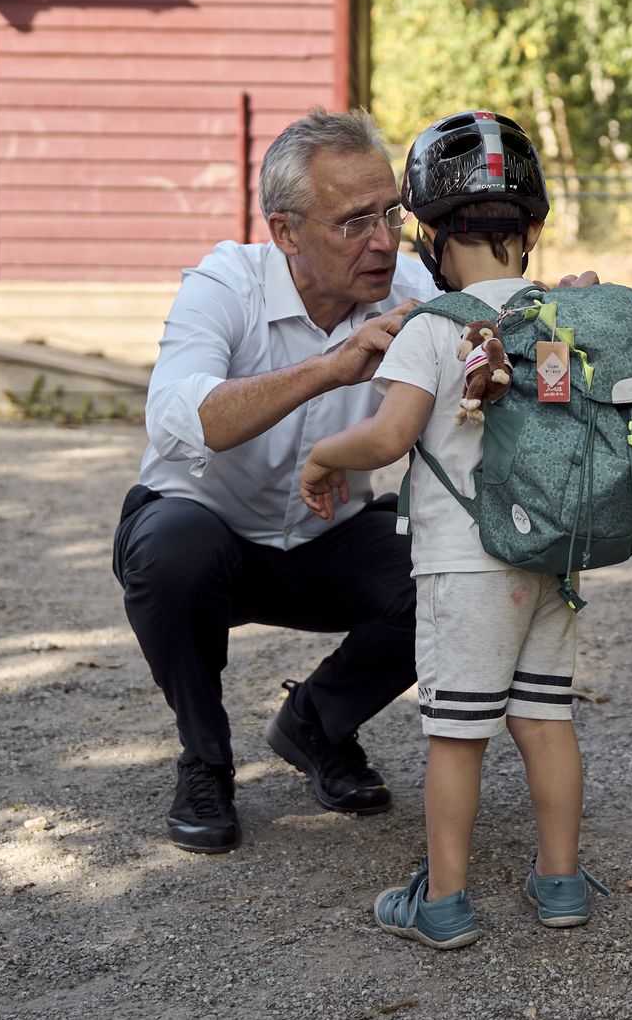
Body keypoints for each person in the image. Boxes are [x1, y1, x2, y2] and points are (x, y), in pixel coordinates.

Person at [298, 112, 606, 948]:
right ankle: (562, 881)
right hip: (551, 559)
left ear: (430, 237)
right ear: (532, 228)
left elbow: (390, 435)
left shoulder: (434, 326)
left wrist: (327, 452)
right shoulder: (562, 318)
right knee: (546, 720)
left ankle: (443, 898)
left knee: (457, 735)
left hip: (467, 570)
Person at [113, 107, 437, 855]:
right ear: (286, 232)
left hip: (327, 536)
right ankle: (205, 759)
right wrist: (329, 367)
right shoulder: (226, 281)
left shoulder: (412, 289)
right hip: (207, 534)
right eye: (354, 222)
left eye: (390, 212)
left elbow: (502, 314)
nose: (384, 241)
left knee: (449, 571)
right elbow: (175, 415)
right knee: (171, 548)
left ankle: (317, 723)